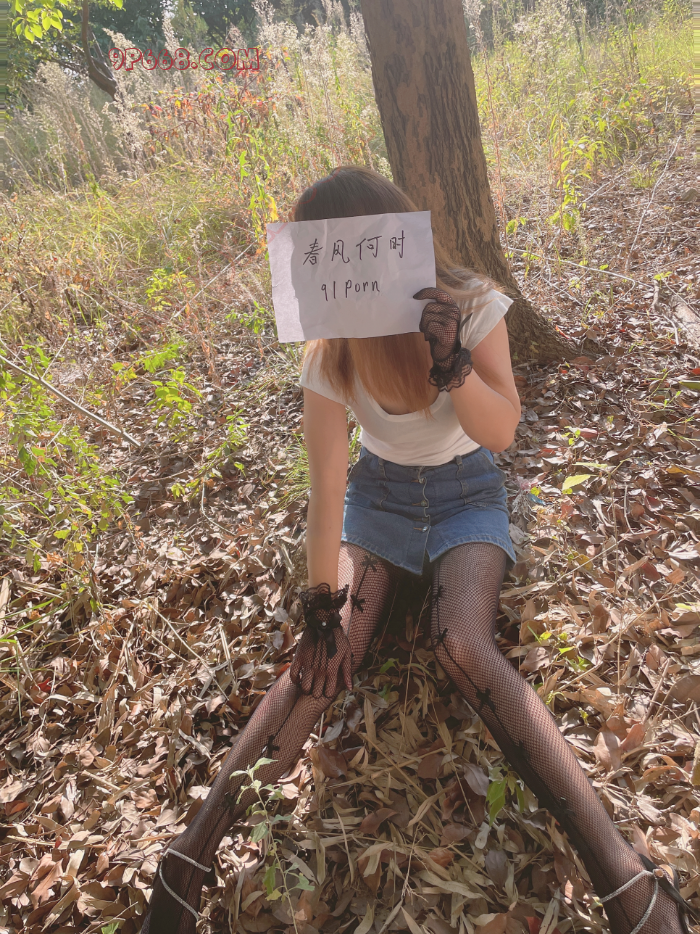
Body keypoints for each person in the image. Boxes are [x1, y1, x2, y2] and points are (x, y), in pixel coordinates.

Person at [141, 166, 696, 934]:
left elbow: (502, 431)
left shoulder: (470, 305)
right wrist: (320, 607)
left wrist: (453, 364)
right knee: (324, 659)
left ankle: (625, 877)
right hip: (379, 501)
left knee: (460, 641)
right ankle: (185, 864)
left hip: (467, 493)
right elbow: (328, 487)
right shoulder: (332, 348)